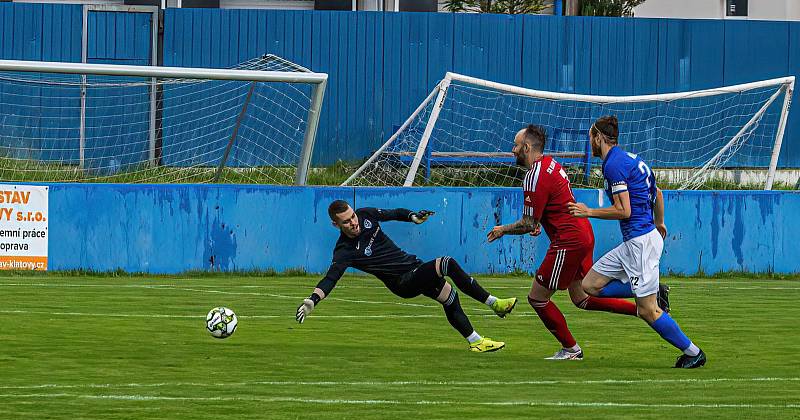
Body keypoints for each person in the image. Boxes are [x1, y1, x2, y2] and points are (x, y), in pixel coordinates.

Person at [487, 125, 665, 360]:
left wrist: (503, 229)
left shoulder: (533, 175)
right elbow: (552, 206)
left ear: (527, 147)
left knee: (537, 298)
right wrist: (538, 222)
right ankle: (645, 304)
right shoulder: (552, 165)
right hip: (582, 234)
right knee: (582, 297)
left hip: (568, 240)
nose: (513, 150)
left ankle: (571, 349)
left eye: (516, 146)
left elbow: (528, 223)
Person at [568, 115, 706, 368]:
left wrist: (588, 212)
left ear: (599, 137)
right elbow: (659, 193)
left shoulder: (613, 166)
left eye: (591, 138)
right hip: (636, 242)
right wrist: (660, 222)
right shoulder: (631, 160)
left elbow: (624, 211)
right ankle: (653, 290)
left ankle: (693, 352)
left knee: (647, 311)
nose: (590, 144)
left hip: (640, 244)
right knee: (590, 285)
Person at [296, 200, 517, 352]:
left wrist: (412, 216)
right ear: (336, 224)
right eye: (346, 221)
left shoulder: (366, 215)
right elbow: (330, 278)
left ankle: (476, 342)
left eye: (352, 216)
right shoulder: (344, 250)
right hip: (402, 282)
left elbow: (393, 213)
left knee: (450, 297)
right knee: (446, 263)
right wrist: (312, 300)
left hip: (414, 267)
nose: (353, 222)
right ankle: (494, 303)